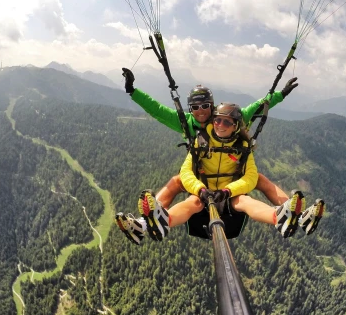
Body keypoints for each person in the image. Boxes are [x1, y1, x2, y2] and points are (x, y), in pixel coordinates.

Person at [116, 103, 325, 245]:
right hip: (204, 192)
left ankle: (283, 216)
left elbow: (250, 176)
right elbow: (186, 171)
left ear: (235, 126)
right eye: (217, 121)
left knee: (244, 199)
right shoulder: (201, 142)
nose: (220, 125)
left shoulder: (243, 147)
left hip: (229, 195)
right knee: (192, 201)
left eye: (226, 122)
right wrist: (200, 189)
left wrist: (227, 191)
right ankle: (154, 221)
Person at [119, 68, 297, 210]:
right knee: (175, 181)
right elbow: (156, 109)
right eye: (195, 107)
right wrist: (132, 91)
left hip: (229, 178)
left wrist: (281, 94)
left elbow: (259, 106)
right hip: (201, 177)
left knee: (259, 179)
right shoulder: (185, 122)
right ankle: (151, 216)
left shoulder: (226, 117)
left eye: (205, 106)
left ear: (212, 106)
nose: (201, 110)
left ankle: (290, 210)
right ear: (190, 109)